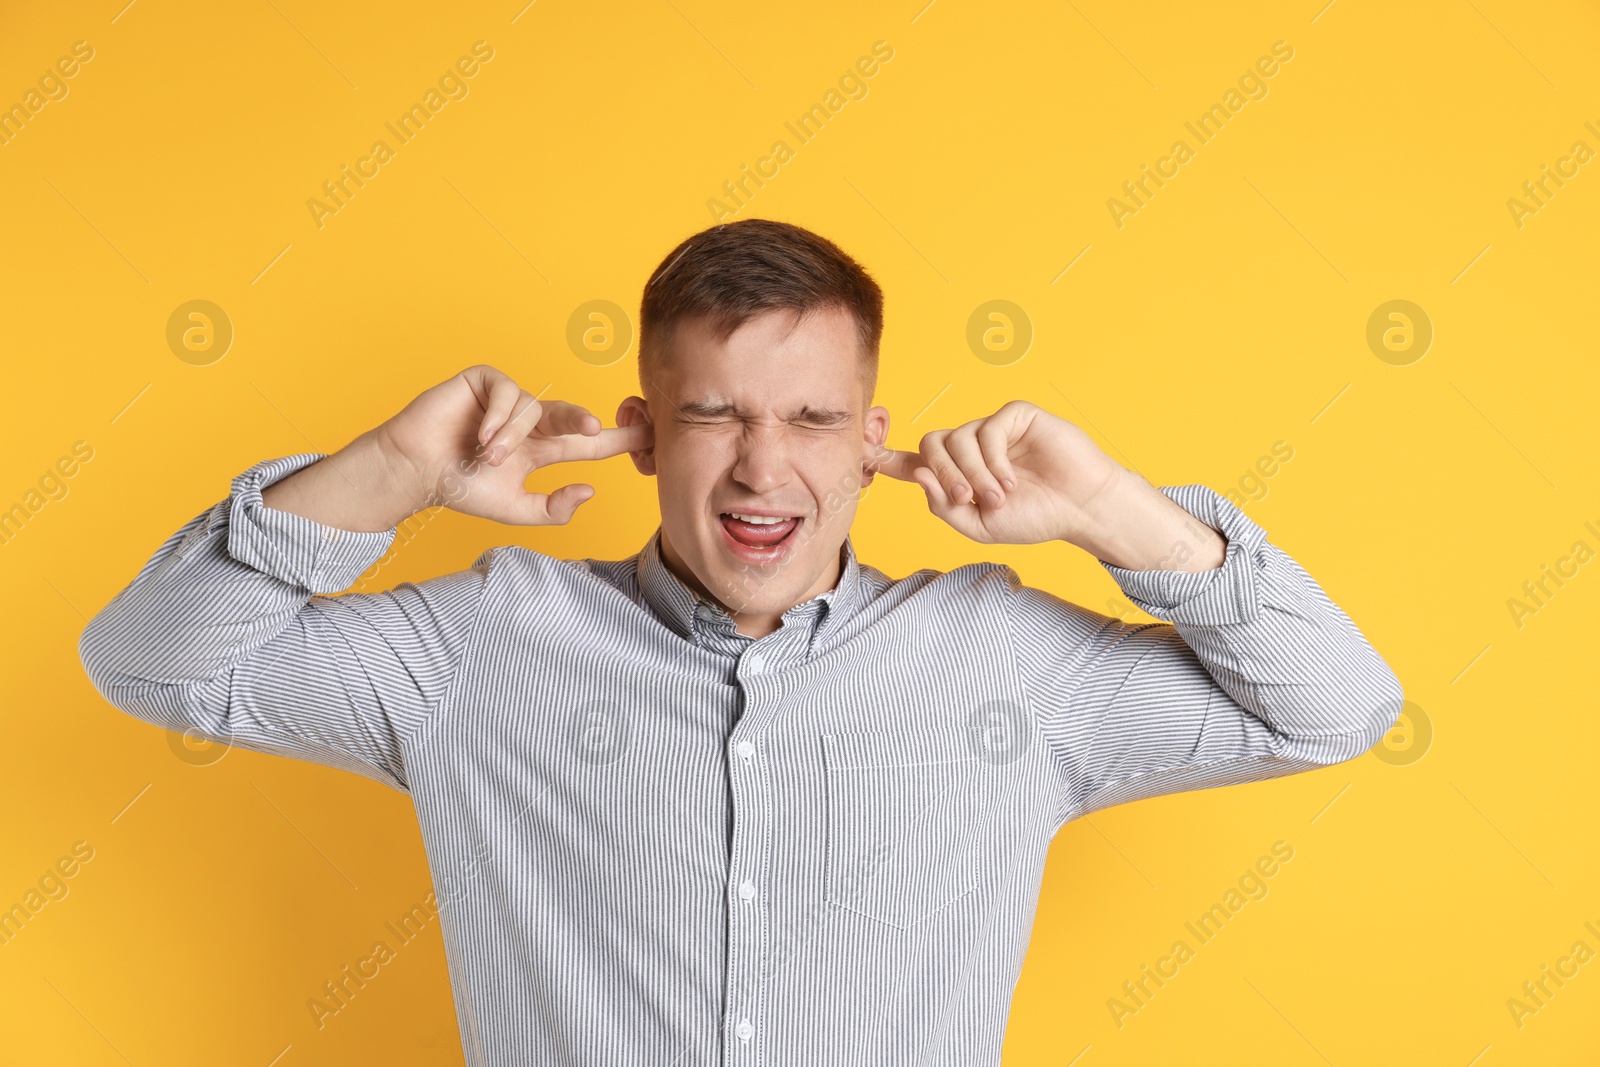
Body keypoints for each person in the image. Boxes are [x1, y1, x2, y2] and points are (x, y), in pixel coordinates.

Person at [78, 218, 1403, 1066]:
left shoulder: (1005, 664)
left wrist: (1120, 511)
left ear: (873, 441)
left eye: (814, 419)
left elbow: (1334, 708)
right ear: (647, 431)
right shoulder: (481, 645)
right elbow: (156, 661)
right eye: (716, 414)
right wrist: (390, 471)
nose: (763, 468)